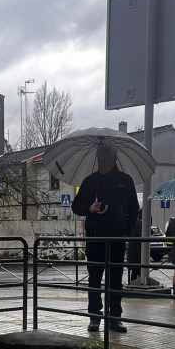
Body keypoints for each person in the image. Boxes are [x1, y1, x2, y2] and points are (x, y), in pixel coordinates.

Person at [71, 143, 139, 333]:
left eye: (105, 160)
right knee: (94, 278)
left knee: (115, 280)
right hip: (94, 237)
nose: (101, 163)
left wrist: (128, 231)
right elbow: (76, 206)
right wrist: (89, 208)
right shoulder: (90, 181)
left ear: (114, 160)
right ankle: (95, 317)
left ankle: (114, 317)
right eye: (99, 160)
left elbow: (134, 209)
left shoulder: (125, 181)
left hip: (117, 237)